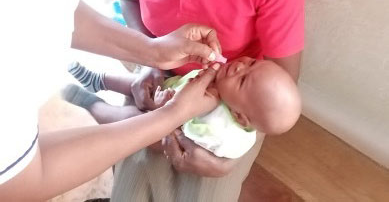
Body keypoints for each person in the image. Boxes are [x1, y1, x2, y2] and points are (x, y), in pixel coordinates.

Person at [0, 0, 273, 200]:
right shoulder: (13, 32)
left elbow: (51, 6)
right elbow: (17, 185)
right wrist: (170, 117)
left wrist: (152, 50)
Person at [114, 0, 305, 200]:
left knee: (201, 189)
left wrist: (225, 160)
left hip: (234, 99)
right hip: (157, 67)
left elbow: (276, 87)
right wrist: (149, 56)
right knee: (133, 172)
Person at [64, 57, 302, 159]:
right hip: (170, 91)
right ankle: (98, 79)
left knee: (128, 117)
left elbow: (181, 133)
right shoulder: (228, 85)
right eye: (251, 63)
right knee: (139, 84)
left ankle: (92, 105)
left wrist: (162, 108)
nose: (240, 66)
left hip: (165, 131)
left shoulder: (220, 126)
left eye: (242, 80)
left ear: (239, 116)